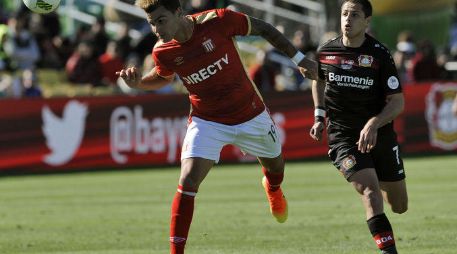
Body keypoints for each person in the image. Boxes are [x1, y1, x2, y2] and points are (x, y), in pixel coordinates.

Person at [116, 1, 317, 253]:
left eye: (161, 20)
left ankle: (273, 188)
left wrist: (299, 59)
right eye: (152, 23)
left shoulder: (218, 20)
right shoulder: (163, 51)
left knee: (276, 167)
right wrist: (139, 84)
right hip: (207, 120)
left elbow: (265, 28)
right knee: (188, 180)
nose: (157, 29)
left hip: (250, 113)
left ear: (179, 12)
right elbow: (162, 77)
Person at [309, 1, 408, 253]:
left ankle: (379, 176)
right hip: (343, 137)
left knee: (398, 205)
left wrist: (374, 123)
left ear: (367, 22)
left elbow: (397, 102)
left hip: (379, 133)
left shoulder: (380, 55)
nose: (347, 19)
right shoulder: (326, 52)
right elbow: (317, 80)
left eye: (354, 15)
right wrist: (319, 115)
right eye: (344, 14)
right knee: (370, 192)